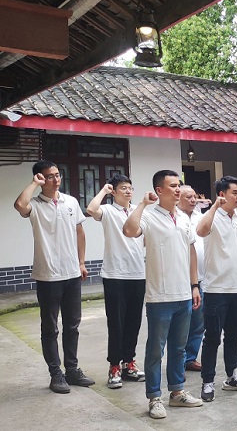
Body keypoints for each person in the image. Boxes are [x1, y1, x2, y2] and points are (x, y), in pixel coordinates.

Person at [122, 170, 202, 419]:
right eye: (173, 186)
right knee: (156, 350)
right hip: (159, 297)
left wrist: (194, 285)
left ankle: (177, 392)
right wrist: (142, 204)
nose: (178, 190)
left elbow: (191, 253)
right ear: (159, 190)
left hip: (184, 294)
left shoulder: (184, 218)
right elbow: (129, 230)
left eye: (179, 185)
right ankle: (154, 397)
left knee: (179, 349)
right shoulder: (148, 216)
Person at [14, 160, 95, 394]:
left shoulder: (70, 202)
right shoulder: (35, 205)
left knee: (72, 325)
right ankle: (55, 373)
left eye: (57, 175)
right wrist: (33, 183)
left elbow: (80, 233)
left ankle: (72, 369)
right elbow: (19, 205)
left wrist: (81, 262)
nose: (56, 179)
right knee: (50, 327)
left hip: (72, 273)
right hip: (48, 275)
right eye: (49, 176)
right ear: (40, 179)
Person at [195, 176, 237, 402]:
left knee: (233, 334)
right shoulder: (211, 217)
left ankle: (232, 375)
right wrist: (214, 208)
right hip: (215, 288)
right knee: (212, 337)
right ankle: (208, 381)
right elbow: (200, 231)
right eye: (234, 193)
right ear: (222, 195)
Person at [87, 174, 145, 389]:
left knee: (134, 322)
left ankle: (129, 363)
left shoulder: (138, 211)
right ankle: (114, 366)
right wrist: (104, 190)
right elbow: (91, 209)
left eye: (130, 188)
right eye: (123, 188)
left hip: (137, 273)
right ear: (114, 191)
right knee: (116, 323)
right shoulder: (108, 211)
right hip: (114, 275)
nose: (128, 191)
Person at [177, 185, 205, 373]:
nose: (193, 200)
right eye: (188, 197)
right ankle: (178, 361)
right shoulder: (174, 217)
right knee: (181, 324)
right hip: (180, 279)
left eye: (194, 196)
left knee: (198, 322)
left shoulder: (199, 217)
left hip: (200, 277)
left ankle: (190, 358)